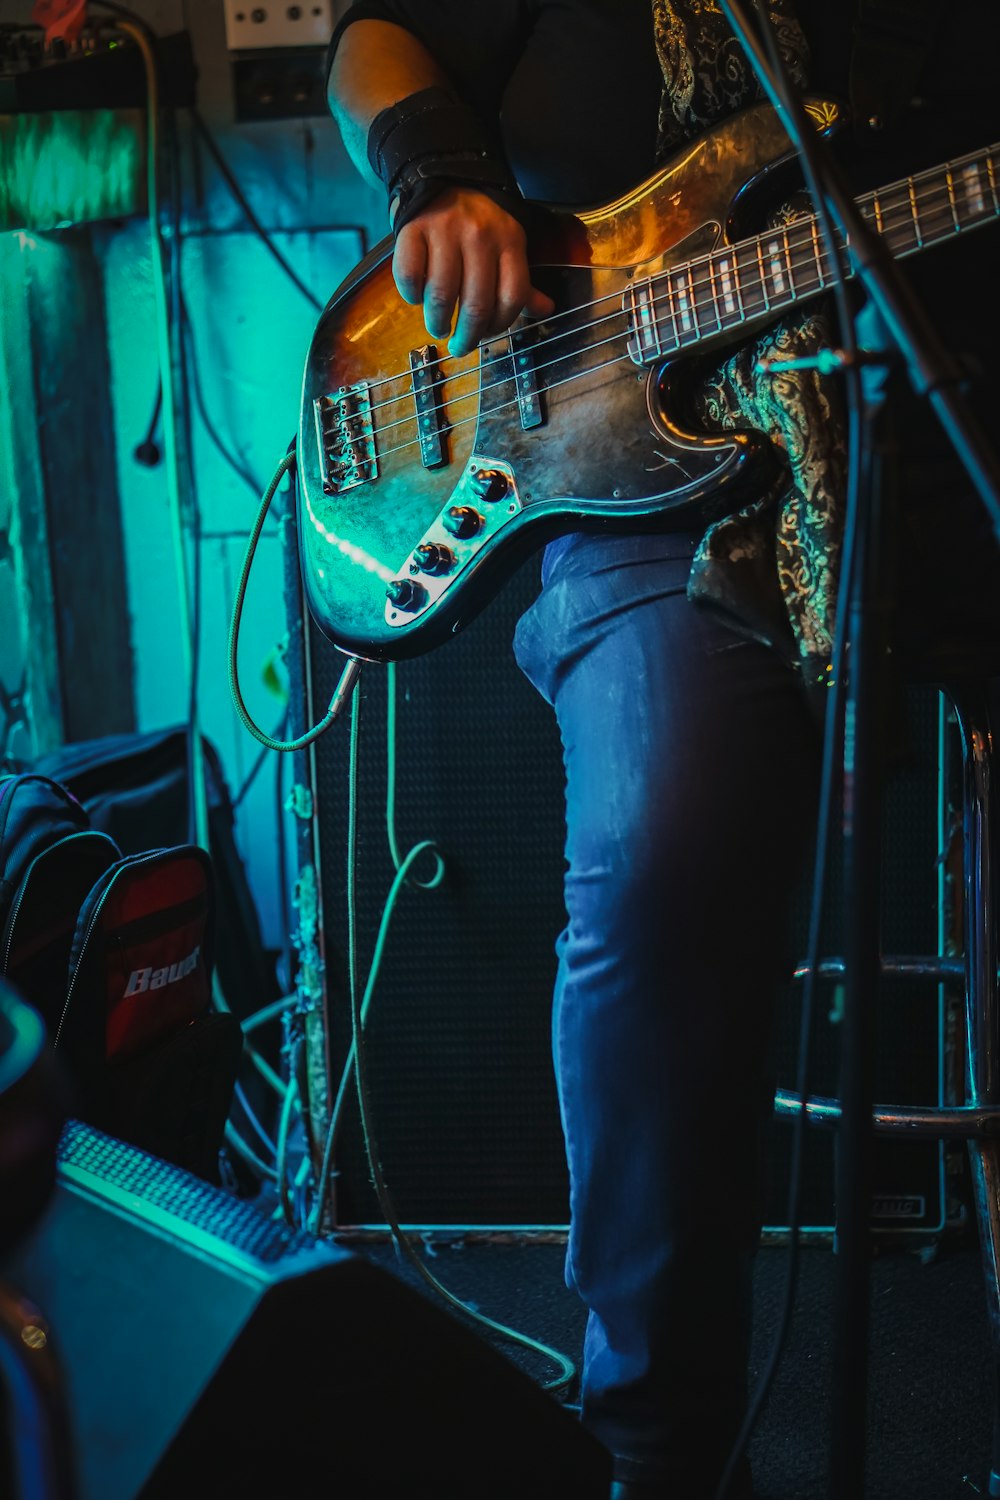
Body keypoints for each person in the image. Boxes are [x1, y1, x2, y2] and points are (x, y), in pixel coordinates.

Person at [325, 3, 1000, 1495]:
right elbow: (372, 34)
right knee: (655, 859)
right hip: (642, 481)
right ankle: (655, 1450)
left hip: (948, 419)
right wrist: (441, 176)